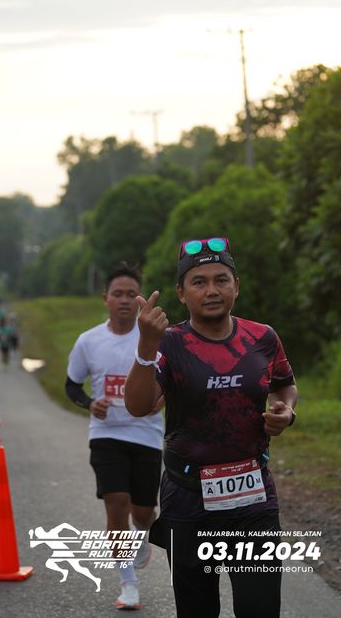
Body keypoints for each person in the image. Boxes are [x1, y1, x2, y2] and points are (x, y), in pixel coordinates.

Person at [125, 237, 297, 618]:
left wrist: (286, 410)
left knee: (260, 608)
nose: (212, 290)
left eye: (221, 279)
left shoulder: (263, 338)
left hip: (253, 497)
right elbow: (138, 405)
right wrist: (146, 345)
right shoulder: (170, 344)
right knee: (197, 609)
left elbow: (285, 383)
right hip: (188, 499)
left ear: (237, 286)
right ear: (181, 293)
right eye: (199, 282)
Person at [65, 262, 164, 611]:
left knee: (144, 512)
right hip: (106, 434)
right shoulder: (89, 341)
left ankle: (141, 536)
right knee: (116, 502)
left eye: (130, 294)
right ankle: (128, 583)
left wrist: (159, 399)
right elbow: (72, 386)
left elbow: (171, 383)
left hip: (147, 435)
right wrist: (90, 404)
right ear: (105, 298)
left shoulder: (154, 340)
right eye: (117, 294)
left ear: (140, 299)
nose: (124, 300)